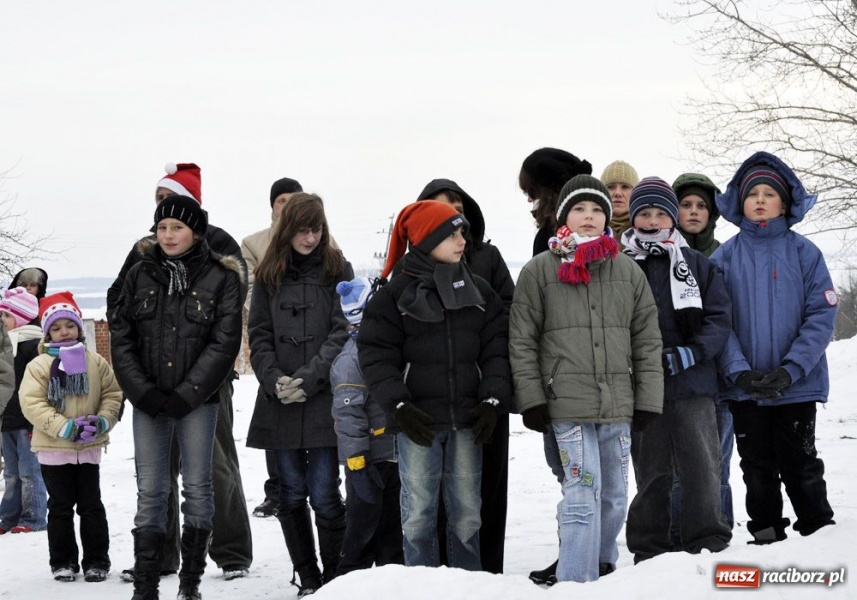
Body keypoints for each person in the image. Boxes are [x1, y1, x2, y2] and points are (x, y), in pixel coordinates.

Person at [510, 174, 663, 583]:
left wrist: (648, 398)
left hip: (617, 401)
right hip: (566, 405)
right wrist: (532, 398)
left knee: (613, 495)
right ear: (564, 216)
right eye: (580, 208)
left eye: (597, 209)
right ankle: (575, 581)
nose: (590, 217)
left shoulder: (627, 272)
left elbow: (647, 340)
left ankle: (601, 564)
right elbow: (522, 340)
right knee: (581, 491)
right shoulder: (539, 271)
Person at [107, 162, 253, 582]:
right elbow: (121, 297)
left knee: (213, 469)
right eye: (158, 202)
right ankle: (164, 556)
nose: (164, 213)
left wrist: (195, 385)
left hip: (207, 384)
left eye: (170, 199)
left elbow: (228, 314)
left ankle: (231, 552)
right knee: (156, 475)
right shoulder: (144, 249)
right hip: (153, 382)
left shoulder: (218, 242)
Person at [358, 201, 512, 572]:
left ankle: (469, 588)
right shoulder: (392, 297)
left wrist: (492, 399)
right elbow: (376, 355)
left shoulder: (480, 292)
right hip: (418, 424)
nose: (462, 241)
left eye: (462, 233)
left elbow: (497, 350)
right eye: (452, 234)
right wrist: (397, 405)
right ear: (427, 239)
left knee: (467, 516)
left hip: (467, 423)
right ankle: (420, 589)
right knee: (418, 517)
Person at [710, 151, 837, 544]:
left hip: (796, 385)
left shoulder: (805, 253)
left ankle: (818, 529)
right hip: (746, 388)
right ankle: (765, 532)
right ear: (741, 203)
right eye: (753, 194)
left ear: (785, 202)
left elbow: (821, 315)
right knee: (756, 466)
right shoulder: (724, 258)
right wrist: (738, 371)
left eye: (770, 193)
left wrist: (791, 369)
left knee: (801, 461)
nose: (761, 199)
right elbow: (716, 319)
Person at [621, 177, 733, 563]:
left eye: (661, 213)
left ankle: (707, 538)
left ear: (672, 218)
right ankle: (649, 545)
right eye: (645, 214)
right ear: (634, 219)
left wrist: (694, 352)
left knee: (702, 464)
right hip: (643, 385)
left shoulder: (697, 265)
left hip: (693, 380)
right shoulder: (621, 265)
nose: (652, 221)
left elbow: (719, 317)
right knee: (651, 469)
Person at [246, 192, 352, 596]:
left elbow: (342, 330)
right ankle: (307, 577)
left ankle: (336, 579)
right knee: (290, 494)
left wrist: (310, 378)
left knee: (326, 493)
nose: (310, 238)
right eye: (303, 230)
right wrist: (273, 379)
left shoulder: (336, 268)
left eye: (317, 229)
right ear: (288, 230)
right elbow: (258, 333)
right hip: (279, 402)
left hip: (323, 398)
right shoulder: (270, 273)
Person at [415, 178, 513, 573]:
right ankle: (435, 575)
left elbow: (509, 312)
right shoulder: (413, 266)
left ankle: (486, 575)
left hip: (484, 390)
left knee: (485, 488)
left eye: (455, 204)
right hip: (431, 398)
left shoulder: (487, 257)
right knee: (430, 492)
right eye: (437, 207)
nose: (450, 213)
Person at [517, 148, 594, 585]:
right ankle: (577, 552)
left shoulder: (563, 233)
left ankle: (582, 555)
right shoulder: (557, 229)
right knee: (570, 467)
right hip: (559, 367)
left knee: (577, 469)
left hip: (571, 367)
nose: (530, 202)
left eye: (533, 192)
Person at [19, 292, 123, 582]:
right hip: (54, 448)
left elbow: (112, 394)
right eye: (56, 327)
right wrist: (63, 426)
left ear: (78, 326)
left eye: (69, 325)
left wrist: (102, 421)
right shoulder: (38, 366)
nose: (64, 331)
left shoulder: (96, 361)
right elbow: (32, 403)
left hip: (88, 446)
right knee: (60, 507)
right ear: (47, 332)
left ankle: (96, 561)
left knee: (91, 506)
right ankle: (63, 561)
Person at [670, 173, 734, 546]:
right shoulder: (658, 253)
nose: (694, 212)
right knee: (679, 467)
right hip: (679, 378)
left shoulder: (722, 254)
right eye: (686, 204)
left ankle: (718, 531)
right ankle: (677, 534)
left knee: (717, 463)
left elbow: (727, 316)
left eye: (702, 206)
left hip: (721, 376)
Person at [330, 276, 404, 576]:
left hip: (393, 456)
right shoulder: (351, 360)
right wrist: (357, 463)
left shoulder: (385, 347)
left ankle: (392, 582)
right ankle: (349, 580)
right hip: (368, 462)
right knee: (361, 530)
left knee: (391, 530)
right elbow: (347, 416)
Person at [241, 176, 302, 519]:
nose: (287, 206)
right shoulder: (252, 243)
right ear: (272, 206)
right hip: (274, 341)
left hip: (315, 345)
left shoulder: (322, 239)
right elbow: (249, 289)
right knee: (275, 414)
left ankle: (317, 486)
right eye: (281, 200)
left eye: (294, 199)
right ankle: (277, 490)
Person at [0, 288, 47, 535]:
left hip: (28, 421)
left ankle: (34, 518)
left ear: (20, 318)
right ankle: (7, 517)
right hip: (6, 420)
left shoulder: (32, 346)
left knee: (30, 472)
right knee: (11, 473)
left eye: (5, 316)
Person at [519, 148, 593, 256]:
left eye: (531, 191)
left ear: (547, 192)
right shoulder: (597, 231)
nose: (529, 199)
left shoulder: (548, 238)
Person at [600, 160, 640, 239]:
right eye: (610, 187)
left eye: (625, 187)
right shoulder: (587, 229)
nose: (618, 193)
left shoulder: (648, 230)